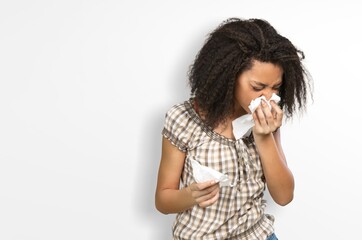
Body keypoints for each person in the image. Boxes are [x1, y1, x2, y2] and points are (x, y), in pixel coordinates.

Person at [155, 17, 311, 240]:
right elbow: (163, 200)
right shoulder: (183, 118)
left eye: (275, 87)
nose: (268, 96)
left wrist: (264, 137)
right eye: (258, 87)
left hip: (258, 235)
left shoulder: (267, 120)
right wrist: (191, 195)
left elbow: (284, 196)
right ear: (228, 76)